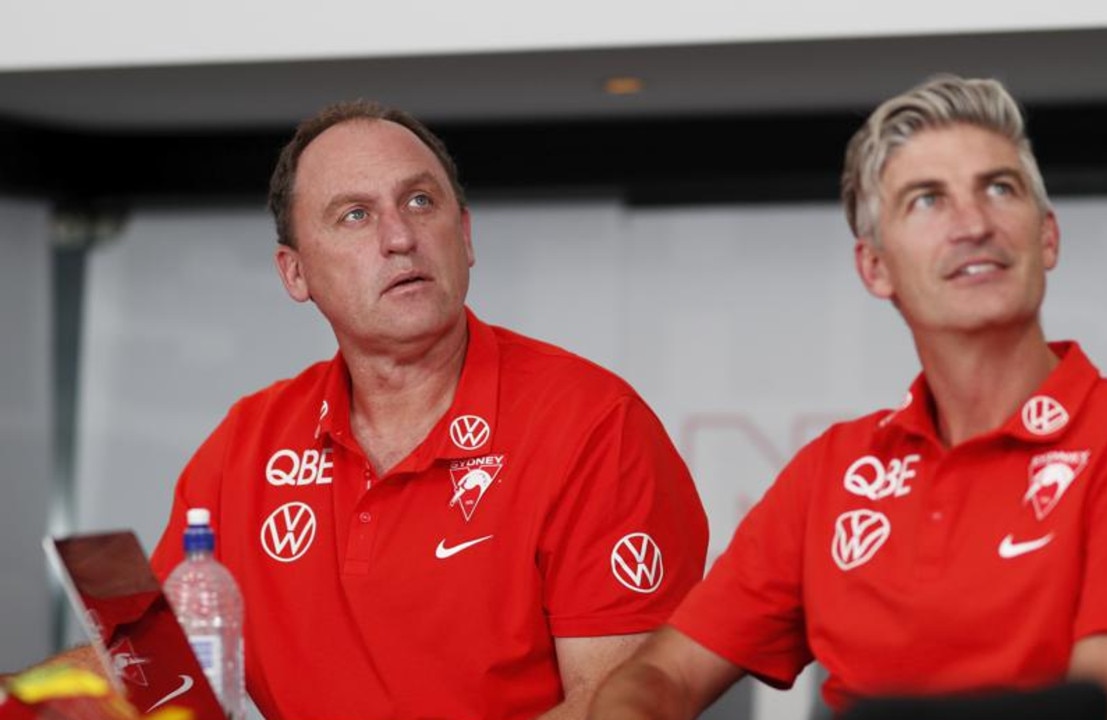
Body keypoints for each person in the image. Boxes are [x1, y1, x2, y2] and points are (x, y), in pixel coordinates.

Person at [587, 76, 1107, 720]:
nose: (973, 225)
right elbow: (662, 674)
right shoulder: (833, 472)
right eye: (927, 200)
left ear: (1046, 236)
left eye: (1000, 188)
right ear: (875, 267)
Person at [143, 100, 709, 720]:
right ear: (295, 272)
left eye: (419, 201)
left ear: (464, 237)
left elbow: (621, 708)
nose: (399, 237)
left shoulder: (596, 424)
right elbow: (153, 672)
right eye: (354, 215)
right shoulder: (247, 442)